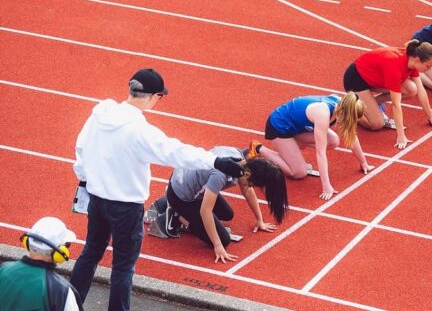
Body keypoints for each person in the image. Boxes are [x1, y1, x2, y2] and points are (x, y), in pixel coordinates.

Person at [70, 68, 245, 311]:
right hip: (127, 208)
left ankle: (69, 305)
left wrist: (86, 180)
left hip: (97, 200)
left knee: (90, 254)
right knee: (122, 268)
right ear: (155, 97)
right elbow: (176, 152)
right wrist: (215, 161)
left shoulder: (100, 114)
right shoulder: (140, 131)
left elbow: (80, 149)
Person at [159, 143, 289, 263]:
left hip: (187, 179)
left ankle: (173, 204)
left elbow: (247, 189)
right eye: (252, 184)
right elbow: (205, 211)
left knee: (227, 214)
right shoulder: (220, 175)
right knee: (223, 239)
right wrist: (217, 245)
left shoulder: (239, 159)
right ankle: (176, 214)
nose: (251, 187)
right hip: (181, 196)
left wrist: (259, 220)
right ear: (247, 174)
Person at [259, 93, 374, 200]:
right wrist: (326, 186)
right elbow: (320, 153)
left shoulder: (343, 104)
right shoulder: (323, 114)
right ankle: (259, 148)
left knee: (333, 141)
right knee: (299, 172)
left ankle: (292, 148)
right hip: (279, 126)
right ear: (346, 114)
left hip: (295, 127)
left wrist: (364, 162)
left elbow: (351, 135)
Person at [343, 41, 432, 149]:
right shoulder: (395, 65)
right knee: (377, 124)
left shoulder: (412, 61)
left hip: (375, 78)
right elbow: (396, 105)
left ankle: (371, 104)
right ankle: (347, 108)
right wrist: (401, 136)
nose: (430, 69)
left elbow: (421, 90)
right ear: (418, 59)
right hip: (356, 81)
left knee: (411, 90)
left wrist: (431, 118)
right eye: (428, 66)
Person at [0, 217, 83, 311]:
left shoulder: (3, 269)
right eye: (67, 245)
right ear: (59, 252)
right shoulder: (63, 291)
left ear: (27, 242)